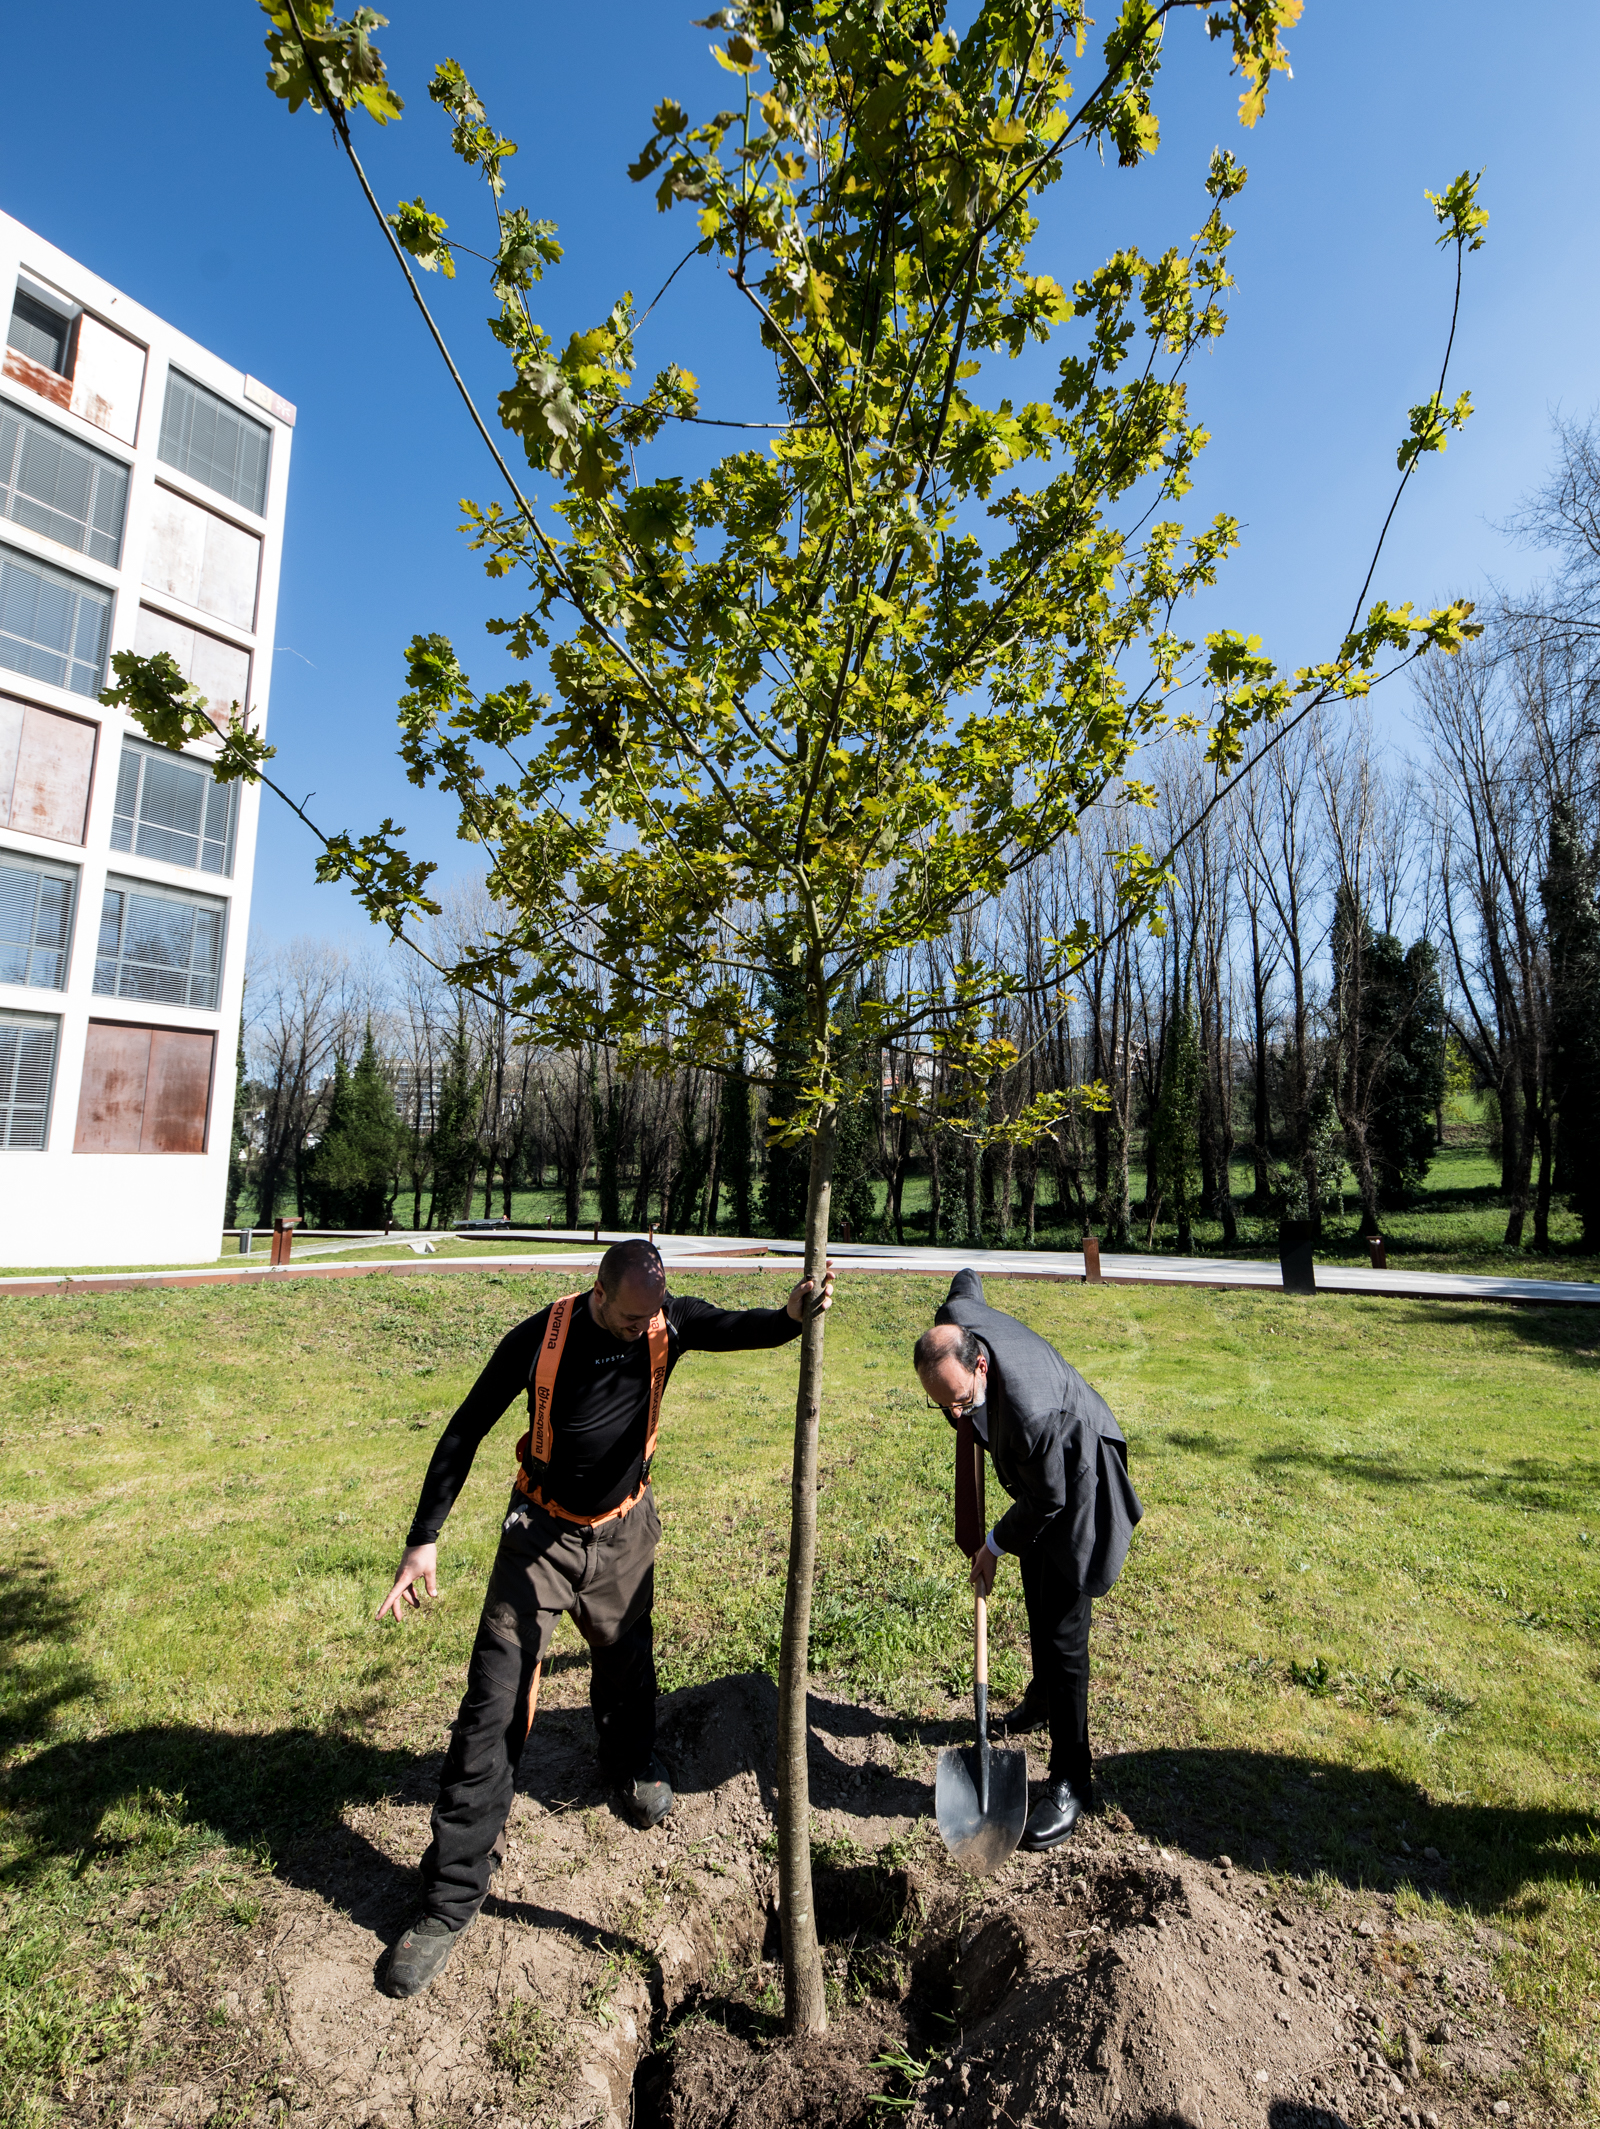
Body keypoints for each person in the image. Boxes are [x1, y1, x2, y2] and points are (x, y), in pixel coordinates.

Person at [375, 1237, 835, 1998]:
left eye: (650, 1317)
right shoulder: (541, 1337)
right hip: (540, 1539)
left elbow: (734, 1328)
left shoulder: (665, 1321)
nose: (641, 1329)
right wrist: (424, 1538)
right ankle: (449, 1898)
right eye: (628, 1319)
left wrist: (789, 1315)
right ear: (597, 1293)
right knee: (493, 1706)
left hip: (624, 1533)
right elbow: (465, 1428)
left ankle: (628, 1766)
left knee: (627, 1664)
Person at [912, 1268, 1142, 1853]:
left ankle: (1072, 1781)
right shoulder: (956, 1323)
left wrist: (992, 1544)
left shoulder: (1032, 1414)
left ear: (981, 1365)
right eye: (944, 1407)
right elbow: (966, 1281)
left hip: (1078, 1478)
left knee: (1063, 1632)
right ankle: (1041, 1699)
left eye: (961, 1402)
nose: (957, 1416)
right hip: (1040, 1483)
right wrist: (962, 1408)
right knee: (1036, 1592)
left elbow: (1049, 1500)